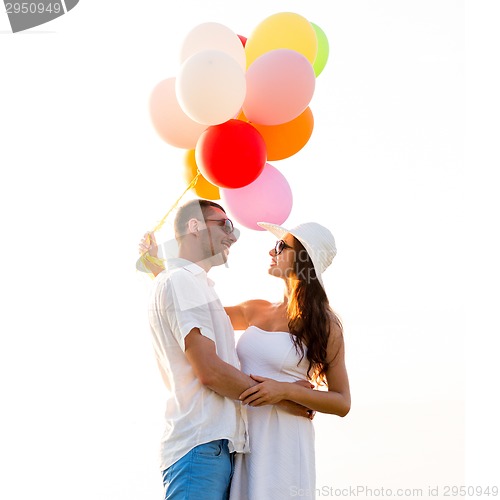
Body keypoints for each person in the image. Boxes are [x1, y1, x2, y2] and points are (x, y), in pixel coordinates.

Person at [142, 199, 313, 500]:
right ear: (194, 225)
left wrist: (157, 270)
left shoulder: (194, 287)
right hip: (200, 447)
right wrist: (283, 398)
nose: (233, 236)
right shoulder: (182, 281)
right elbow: (209, 371)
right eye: (225, 225)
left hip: (215, 448)